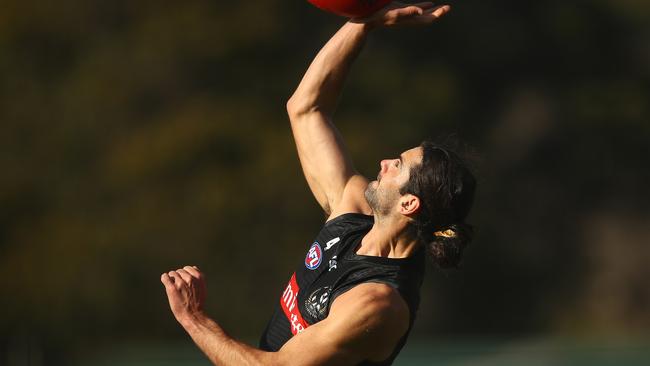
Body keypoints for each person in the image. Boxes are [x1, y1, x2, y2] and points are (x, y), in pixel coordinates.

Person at [161, 2, 476, 365]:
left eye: (399, 165)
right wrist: (365, 24)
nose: (385, 162)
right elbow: (306, 108)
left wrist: (194, 318)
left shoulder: (376, 303)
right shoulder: (354, 210)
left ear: (409, 204)